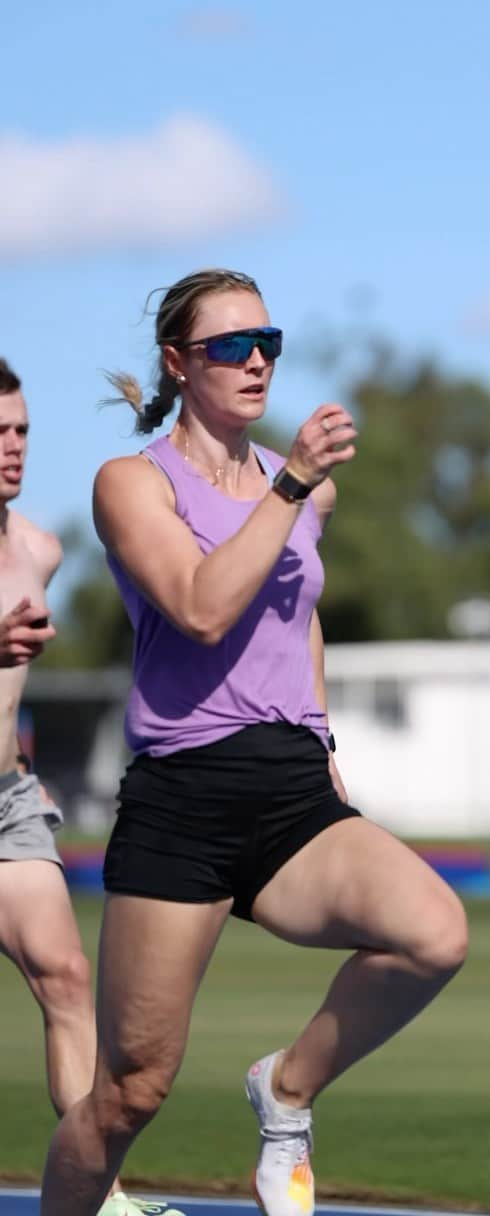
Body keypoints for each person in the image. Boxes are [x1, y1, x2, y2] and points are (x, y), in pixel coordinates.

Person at [40, 268, 468, 1216]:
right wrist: (294, 486)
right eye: (229, 346)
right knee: (129, 1094)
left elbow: (299, 614)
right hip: (182, 796)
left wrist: (319, 735)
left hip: (290, 786)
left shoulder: (297, 493)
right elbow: (200, 606)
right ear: (177, 364)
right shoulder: (133, 484)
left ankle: (286, 1092)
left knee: (434, 934)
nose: (255, 362)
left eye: (266, 342)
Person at [0, 357, 183, 1216]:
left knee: (67, 978)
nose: (12, 448)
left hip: (6, 803)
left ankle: (95, 1197)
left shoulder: (40, 547)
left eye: (22, 431)